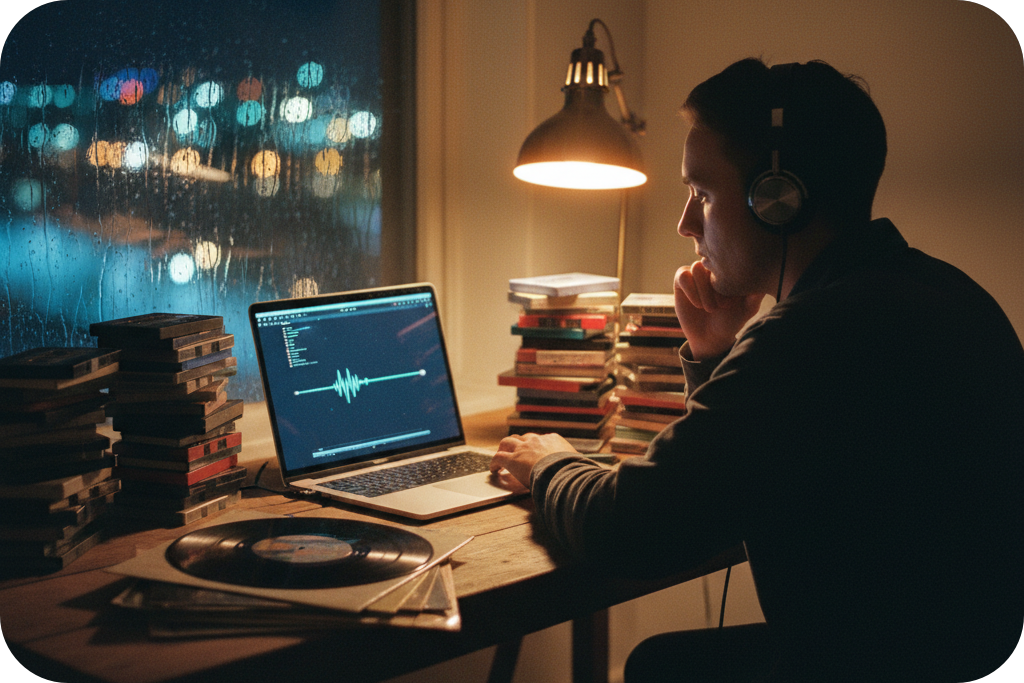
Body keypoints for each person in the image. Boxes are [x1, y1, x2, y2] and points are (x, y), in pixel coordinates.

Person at [490, 58, 1023, 682]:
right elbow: (738, 470)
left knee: (660, 670)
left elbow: (629, 530)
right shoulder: (944, 290)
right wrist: (718, 356)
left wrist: (547, 461)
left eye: (703, 194)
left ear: (779, 201)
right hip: (950, 649)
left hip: (877, 662)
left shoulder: (813, 336)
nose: (687, 224)